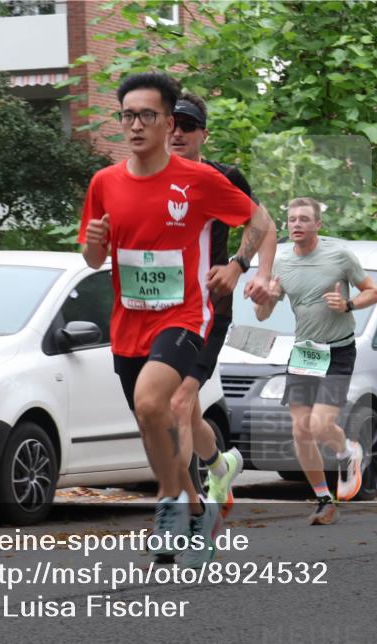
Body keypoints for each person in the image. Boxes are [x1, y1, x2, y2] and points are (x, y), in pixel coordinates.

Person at [79, 72, 277, 565]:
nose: (136, 125)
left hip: (188, 315)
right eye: (128, 115)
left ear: (167, 123)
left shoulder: (200, 180)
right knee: (153, 420)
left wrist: (238, 266)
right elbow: (90, 259)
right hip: (128, 321)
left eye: (148, 115)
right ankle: (192, 506)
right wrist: (95, 244)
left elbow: (261, 221)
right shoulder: (104, 183)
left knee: (157, 402)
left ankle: (168, 506)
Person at [254, 198, 377, 524]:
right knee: (300, 430)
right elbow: (263, 313)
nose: (296, 224)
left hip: (338, 349)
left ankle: (347, 451)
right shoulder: (280, 263)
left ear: (317, 225)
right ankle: (324, 499)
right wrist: (264, 299)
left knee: (320, 424)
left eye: (304, 219)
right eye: (292, 219)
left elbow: (373, 292)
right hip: (306, 350)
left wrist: (348, 305)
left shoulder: (339, 256)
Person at [166, 92, 255, 518]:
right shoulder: (145, 179)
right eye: (171, 124)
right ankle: (222, 464)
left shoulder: (225, 177)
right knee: (188, 409)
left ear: (203, 133)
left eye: (186, 126)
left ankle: (181, 507)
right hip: (162, 312)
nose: (177, 133)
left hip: (209, 311)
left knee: (178, 405)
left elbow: (259, 225)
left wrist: (237, 266)